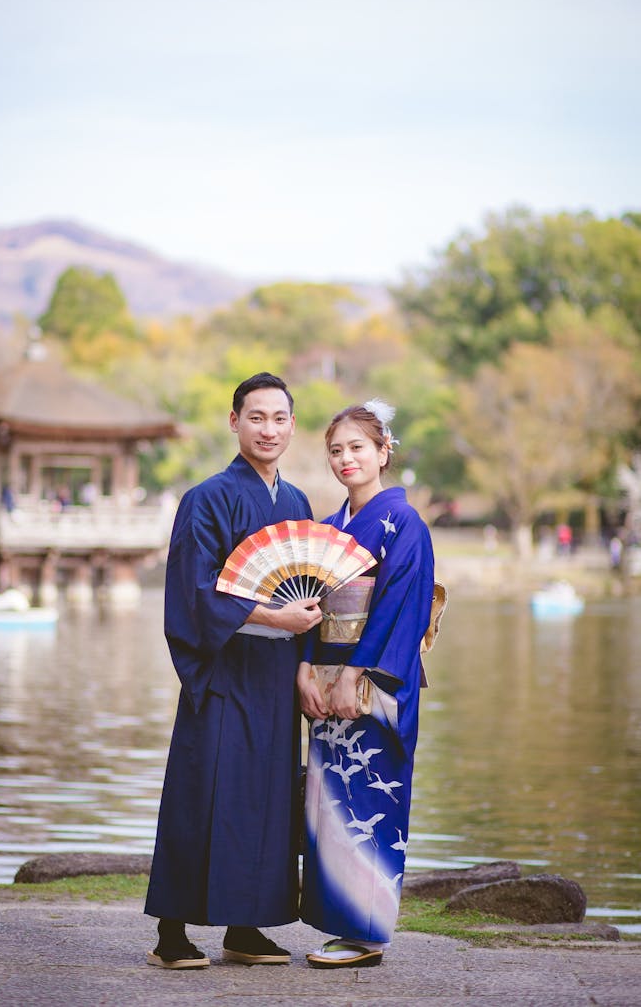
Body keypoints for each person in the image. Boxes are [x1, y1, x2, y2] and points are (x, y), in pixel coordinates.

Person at [144, 372, 323, 969]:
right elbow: (198, 594)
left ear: (292, 426)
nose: (268, 429)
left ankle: (245, 928)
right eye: (256, 417)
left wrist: (304, 664)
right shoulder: (207, 497)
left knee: (267, 800)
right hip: (223, 668)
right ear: (234, 422)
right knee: (203, 791)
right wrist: (275, 618)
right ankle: (172, 932)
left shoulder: (296, 503)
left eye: (279, 419)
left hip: (275, 674)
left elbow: (309, 585)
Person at [297, 400, 435, 969]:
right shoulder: (328, 530)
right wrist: (305, 668)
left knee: (371, 796)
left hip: (372, 683)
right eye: (336, 449)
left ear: (383, 452)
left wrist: (354, 672)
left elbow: (401, 603)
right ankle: (341, 926)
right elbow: (306, 603)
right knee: (330, 802)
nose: (346, 458)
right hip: (326, 681)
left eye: (358, 447)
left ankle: (368, 934)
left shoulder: (405, 524)